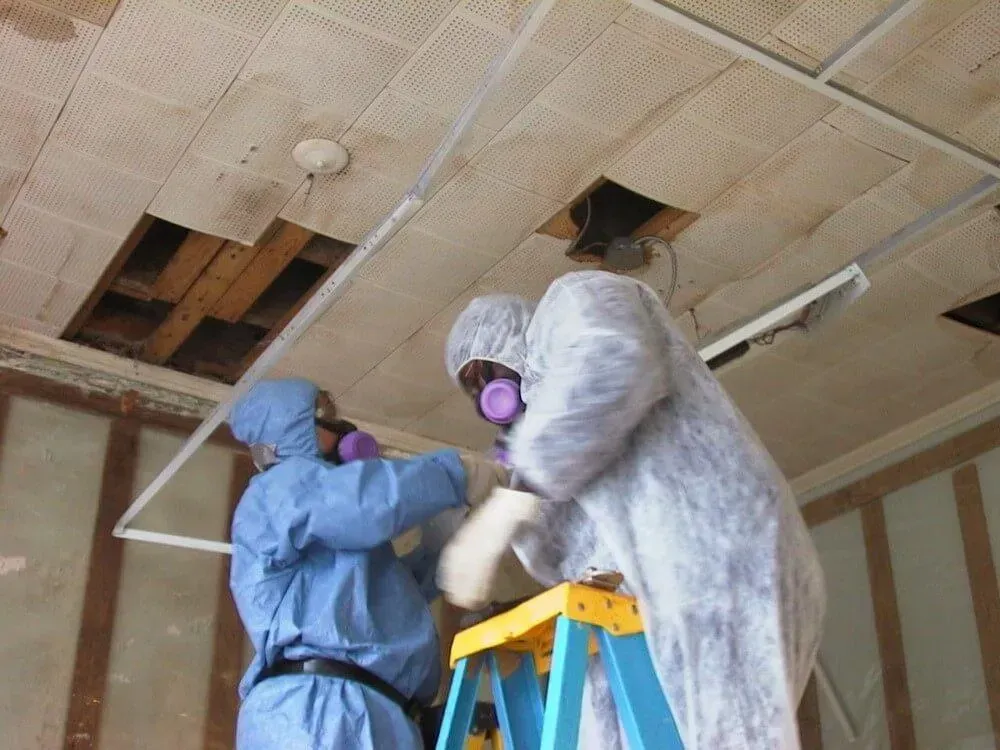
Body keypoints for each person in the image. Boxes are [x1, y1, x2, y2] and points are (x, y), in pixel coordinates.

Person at [439, 270, 826, 750]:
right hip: (644, 600)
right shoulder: (551, 439)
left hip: (714, 557)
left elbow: (613, 361)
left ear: (509, 343)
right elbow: (559, 549)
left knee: (731, 738)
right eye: (471, 391)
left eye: (482, 375)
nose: (486, 399)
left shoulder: (573, 301)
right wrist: (505, 502)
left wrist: (522, 489)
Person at [226, 378, 503, 750]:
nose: (341, 426)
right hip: (319, 711)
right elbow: (363, 503)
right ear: (291, 430)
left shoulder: (327, 529)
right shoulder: (279, 488)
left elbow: (384, 600)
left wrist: (443, 543)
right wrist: (456, 474)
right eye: (324, 414)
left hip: (365, 710)